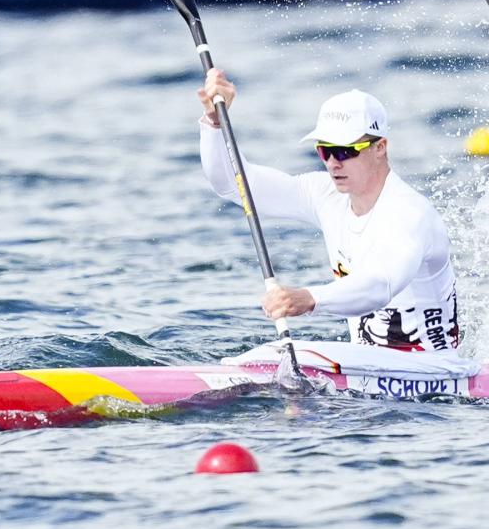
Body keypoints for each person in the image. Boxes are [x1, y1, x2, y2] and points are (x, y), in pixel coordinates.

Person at [197, 70, 460, 351]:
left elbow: (380, 285)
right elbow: (234, 186)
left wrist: (310, 298)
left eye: (346, 151)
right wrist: (214, 123)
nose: (334, 162)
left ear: (380, 147)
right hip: (369, 373)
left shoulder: (409, 213)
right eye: (325, 151)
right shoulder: (325, 195)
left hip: (433, 374)